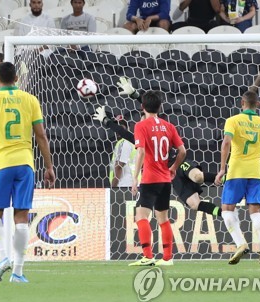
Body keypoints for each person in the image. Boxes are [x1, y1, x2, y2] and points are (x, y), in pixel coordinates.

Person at [94, 77, 223, 218]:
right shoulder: (140, 137)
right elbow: (124, 133)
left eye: (144, 116)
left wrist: (135, 95)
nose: (144, 119)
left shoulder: (160, 126)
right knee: (194, 204)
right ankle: (225, 214)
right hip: (170, 176)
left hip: (176, 163)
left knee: (197, 177)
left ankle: (227, 178)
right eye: (142, 118)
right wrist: (106, 121)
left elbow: (151, 107)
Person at [0, 62, 55, 283]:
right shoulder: (31, 100)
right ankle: (18, 272)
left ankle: (2, 257)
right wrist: (48, 166)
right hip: (25, 164)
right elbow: (41, 136)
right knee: (21, 216)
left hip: (1, 164)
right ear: (17, 78)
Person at [214, 91, 260, 265]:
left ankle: (241, 244)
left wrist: (222, 169)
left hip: (236, 172)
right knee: (255, 213)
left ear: (242, 103)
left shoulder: (232, 121)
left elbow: (226, 143)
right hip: (256, 173)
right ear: (257, 105)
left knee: (227, 209)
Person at [128, 90, 187, 267]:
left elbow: (141, 152)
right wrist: (174, 168)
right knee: (163, 218)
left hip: (150, 178)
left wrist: (135, 177)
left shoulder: (141, 125)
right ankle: (167, 258)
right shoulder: (169, 126)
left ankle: (147, 256)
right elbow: (183, 151)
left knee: (141, 216)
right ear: (160, 107)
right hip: (165, 179)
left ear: (142, 107)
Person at [109, 119, 136, 188]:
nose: (118, 131)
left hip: (124, 185)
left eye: (121, 127)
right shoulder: (127, 142)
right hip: (131, 183)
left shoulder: (124, 142)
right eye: (117, 127)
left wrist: (113, 187)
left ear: (127, 128)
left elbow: (119, 166)